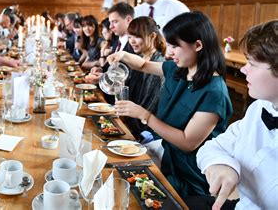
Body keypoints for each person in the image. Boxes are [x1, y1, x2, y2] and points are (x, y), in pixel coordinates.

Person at [108, 11, 233, 198]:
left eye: (175, 46)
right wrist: (123, 55)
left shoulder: (214, 92)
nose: (169, 52)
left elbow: (187, 143)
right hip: (165, 152)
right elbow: (142, 65)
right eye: (169, 45)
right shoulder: (179, 69)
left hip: (189, 171)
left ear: (198, 45)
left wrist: (145, 115)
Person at [193, 20, 278, 210]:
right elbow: (212, 147)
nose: (243, 69)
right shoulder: (259, 108)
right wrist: (224, 165)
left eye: (252, 64)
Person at [123, 17, 166, 142]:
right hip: (130, 121)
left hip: (145, 131)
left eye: (136, 37)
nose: (132, 41)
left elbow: (151, 104)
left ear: (152, 36)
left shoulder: (159, 62)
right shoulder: (138, 58)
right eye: (129, 37)